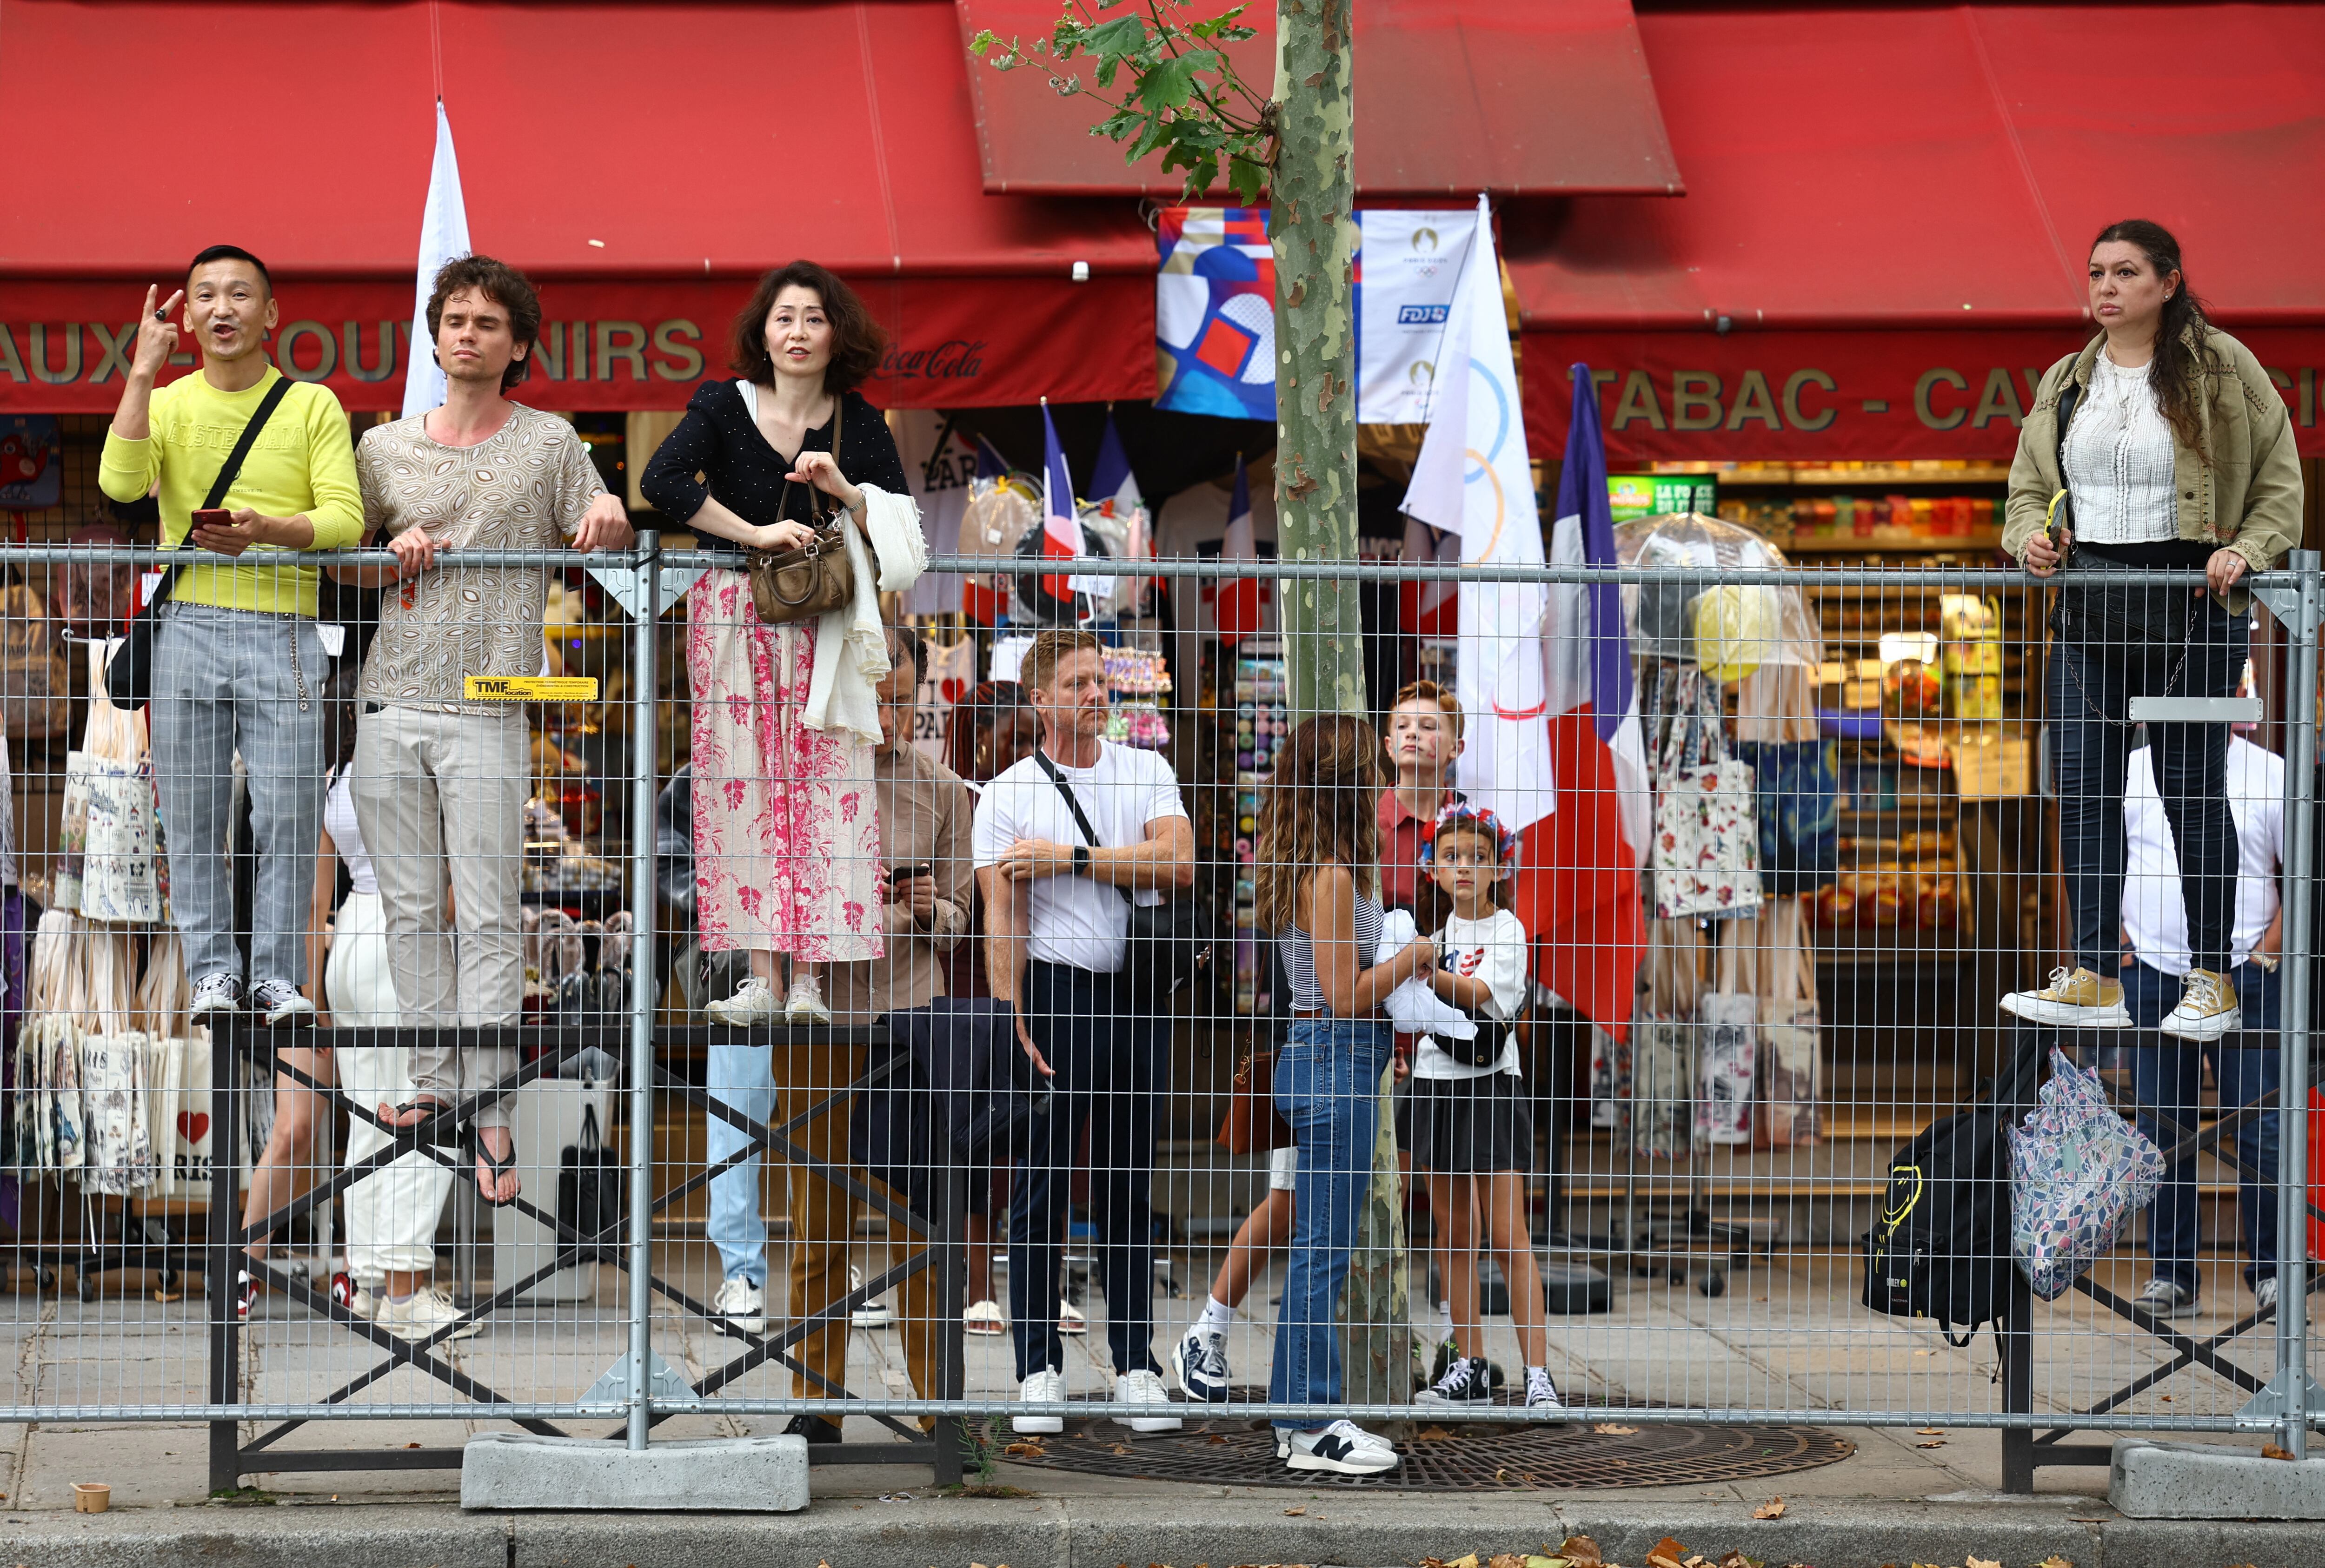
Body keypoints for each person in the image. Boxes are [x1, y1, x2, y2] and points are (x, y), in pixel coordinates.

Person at [332, 255, 631, 1206]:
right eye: (454, 318)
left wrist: (607, 511)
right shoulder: (381, 450)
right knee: (412, 907)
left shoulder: (549, 442)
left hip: (492, 702)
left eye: (487, 322)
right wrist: (385, 556)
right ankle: (431, 1083)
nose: (467, 333)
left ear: (518, 345)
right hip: (391, 697)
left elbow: (598, 516)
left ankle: (490, 1099)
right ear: (432, 335)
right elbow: (342, 571)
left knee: (492, 908)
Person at [2003, 219, 2302, 1039]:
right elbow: (2028, 488)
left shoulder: (2223, 366)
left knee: (2191, 794)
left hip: (2193, 604)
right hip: (2090, 602)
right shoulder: (2069, 379)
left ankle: (2212, 976)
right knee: (2087, 791)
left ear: (2168, 283)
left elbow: (2280, 476)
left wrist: (2248, 547)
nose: (2104, 286)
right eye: (2096, 271)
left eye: (2125, 272)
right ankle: (2098, 972)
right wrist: (2030, 537)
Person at [700, 627, 969, 1440]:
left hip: (913, 1023)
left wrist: (933, 910)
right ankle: (818, 1405)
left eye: (902, 695)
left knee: (918, 1223)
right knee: (819, 1220)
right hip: (820, 1028)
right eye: (876, 691)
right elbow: (774, 910)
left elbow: (962, 923)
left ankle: (937, 1408)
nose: (888, 708)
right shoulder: (803, 782)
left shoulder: (944, 790)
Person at [640, 260, 912, 1028]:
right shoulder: (723, 404)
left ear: (838, 335)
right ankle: (761, 974)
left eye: (814, 318)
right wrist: (756, 531)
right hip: (733, 607)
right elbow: (664, 479)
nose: (797, 332)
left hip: (825, 620)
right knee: (741, 781)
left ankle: (810, 982)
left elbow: (902, 529)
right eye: (784, 317)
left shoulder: (858, 420)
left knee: (828, 784)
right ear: (763, 331)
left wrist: (843, 489)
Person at [98, 245, 364, 1024]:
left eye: (240, 294)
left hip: (283, 625)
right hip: (186, 625)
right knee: (191, 809)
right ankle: (212, 970)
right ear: (184, 316)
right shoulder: (172, 401)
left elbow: (345, 519)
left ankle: (278, 975)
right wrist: (142, 372)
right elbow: (120, 486)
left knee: (285, 811)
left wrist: (268, 530)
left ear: (271, 313)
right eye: (205, 295)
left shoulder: (311, 405)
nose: (223, 308)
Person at [975, 629, 1195, 1436]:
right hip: (1057, 989)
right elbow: (1002, 915)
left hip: (1135, 990)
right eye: (1075, 684)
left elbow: (1179, 863)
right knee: (1042, 1180)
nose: (1095, 695)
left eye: (1099, 681)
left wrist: (1070, 856)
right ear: (1039, 699)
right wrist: (1011, 1015)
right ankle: (1038, 1367)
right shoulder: (1006, 793)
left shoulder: (1146, 767)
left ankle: (1136, 1363)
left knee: (1128, 1180)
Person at [1253, 714, 1440, 1474]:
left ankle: (1297, 1413)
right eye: (1371, 766)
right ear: (1344, 782)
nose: (1383, 779)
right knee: (1322, 1252)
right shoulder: (1329, 874)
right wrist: (1416, 953)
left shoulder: (1324, 864)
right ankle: (1312, 1423)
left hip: (1335, 1059)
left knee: (1318, 1246)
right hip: (1334, 1055)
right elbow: (1345, 991)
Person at [1404, 807, 1565, 1416]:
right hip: (1435, 1081)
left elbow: (1487, 998)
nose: (1465, 866)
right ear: (1433, 870)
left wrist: (1423, 972)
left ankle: (1538, 1373)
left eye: (1477, 855)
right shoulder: (1433, 938)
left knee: (1508, 1233)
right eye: (1452, 856)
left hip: (1492, 1085)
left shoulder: (1508, 931)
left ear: (1499, 867)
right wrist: (1418, 964)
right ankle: (1467, 1363)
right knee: (1455, 1233)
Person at [2122, 731, 2285, 1318]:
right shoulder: (2132, 768)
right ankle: (2170, 1274)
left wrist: (2268, 952)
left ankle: (2271, 1272)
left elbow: (2302, 874)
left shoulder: (2270, 771)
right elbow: (2101, 856)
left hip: (2245, 970)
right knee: (2162, 1128)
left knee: (2259, 1126)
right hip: (2156, 970)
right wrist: (2120, 944)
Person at [311, 748, 468, 1343]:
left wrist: (315, 997)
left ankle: (376, 1280)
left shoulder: (336, 774)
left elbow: (314, 900)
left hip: (347, 941)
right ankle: (404, 1293)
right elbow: (452, 888)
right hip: (406, 935)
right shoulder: (424, 761)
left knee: (367, 1121)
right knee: (427, 1107)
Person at [941, 677, 1040, 1332]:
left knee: (1039, 1130)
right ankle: (978, 1283)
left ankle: (1041, 1277)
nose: (1028, 750)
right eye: (1017, 739)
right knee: (974, 1135)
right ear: (983, 737)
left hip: (1034, 977)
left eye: (1034, 739)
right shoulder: (961, 796)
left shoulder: (1040, 794)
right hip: (968, 979)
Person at [1377, 680, 1467, 914]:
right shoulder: (1363, 821)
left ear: (1456, 748)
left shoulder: (1474, 826)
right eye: (1402, 727)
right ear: (1389, 745)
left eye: (1428, 727)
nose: (1413, 734)